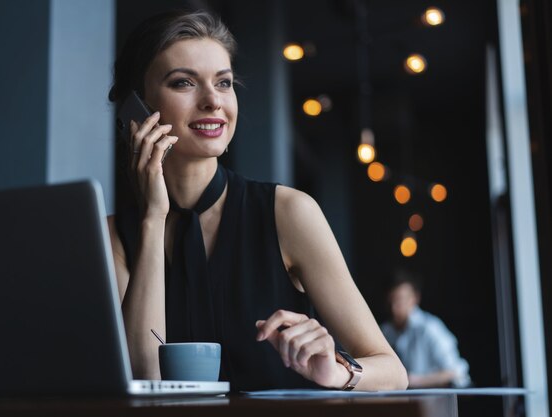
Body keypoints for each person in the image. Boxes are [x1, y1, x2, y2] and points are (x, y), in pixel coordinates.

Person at [106, 9, 407, 392]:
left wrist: (339, 372)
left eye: (224, 82)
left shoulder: (289, 213)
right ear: (137, 108)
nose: (213, 101)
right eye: (183, 82)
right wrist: (153, 218)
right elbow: (146, 376)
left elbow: (393, 371)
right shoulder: (114, 236)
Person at [380, 273, 471, 388]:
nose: (394, 307)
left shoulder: (430, 328)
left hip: (434, 402)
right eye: (391, 301)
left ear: (415, 299)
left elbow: (456, 372)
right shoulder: (385, 331)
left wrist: (414, 380)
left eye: (399, 300)